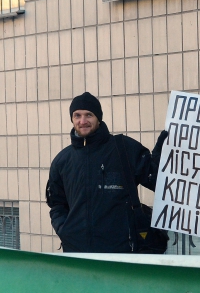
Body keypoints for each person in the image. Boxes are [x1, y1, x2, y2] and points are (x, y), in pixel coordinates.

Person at [46, 92, 167, 253]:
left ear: (98, 118)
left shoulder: (123, 148)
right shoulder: (62, 160)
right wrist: (65, 230)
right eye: (77, 115)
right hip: (78, 254)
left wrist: (162, 152)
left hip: (121, 254)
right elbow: (56, 203)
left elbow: (157, 180)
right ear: (72, 119)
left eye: (89, 115)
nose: (83, 121)